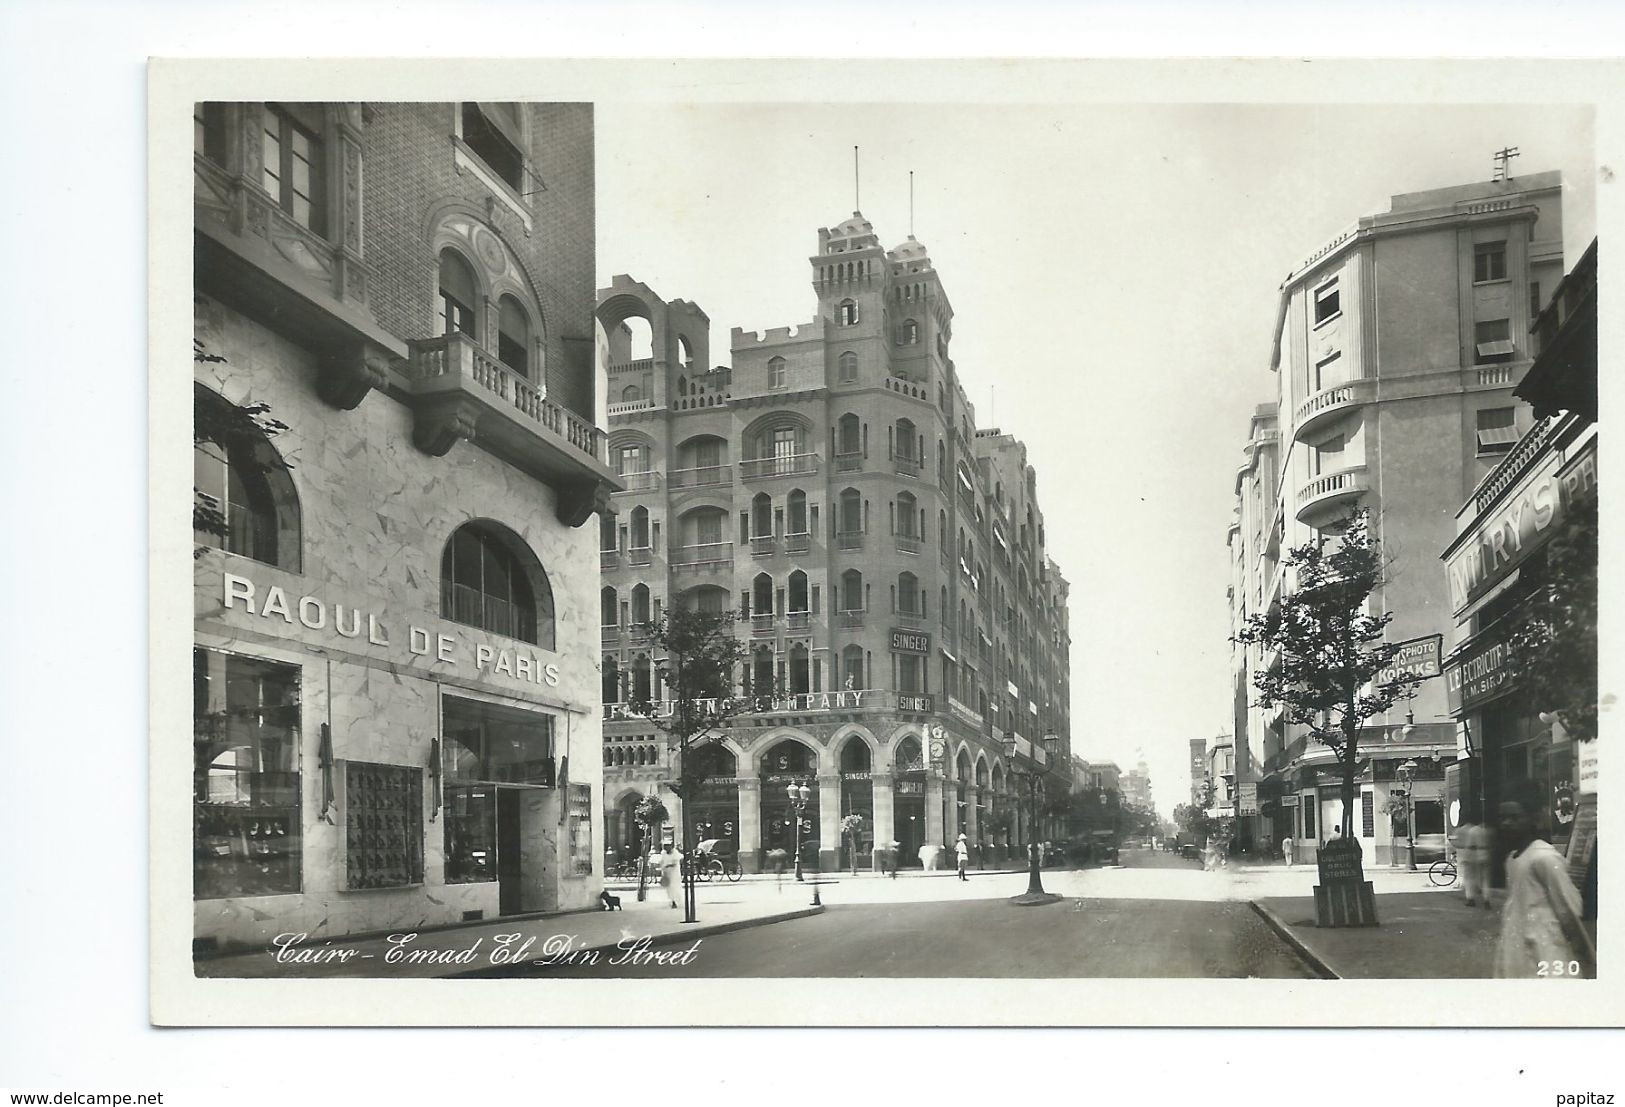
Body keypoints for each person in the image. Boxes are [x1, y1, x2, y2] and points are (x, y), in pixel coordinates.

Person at [1493, 784, 1594, 978]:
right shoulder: (1512, 859)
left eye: (1515, 817)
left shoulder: (1544, 857)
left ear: (1533, 819)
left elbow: (1568, 910)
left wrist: (1585, 957)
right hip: (1519, 950)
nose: (1506, 823)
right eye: (1502, 818)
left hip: (1546, 955)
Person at [1454, 815, 1493, 908]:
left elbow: (1469, 844)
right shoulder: (1487, 830)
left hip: (1475, 854)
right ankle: (1486, 899)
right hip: (1486, 853)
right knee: (1485, 879)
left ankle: (1470, 898)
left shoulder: (1473, 831)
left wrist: (1466, 857)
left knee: (1470, 878)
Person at [656, 843, 682, 909]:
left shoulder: (675, 853)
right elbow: (661, 861)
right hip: (666, 873)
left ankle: (675, 901)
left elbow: (675, 863)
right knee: (669, 888)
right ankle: (672, 900)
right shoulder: (663, 853)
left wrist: (668, 865)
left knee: (674, 887)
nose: (666, 848)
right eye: (665, 847)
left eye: (667, 846)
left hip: (674, 873)